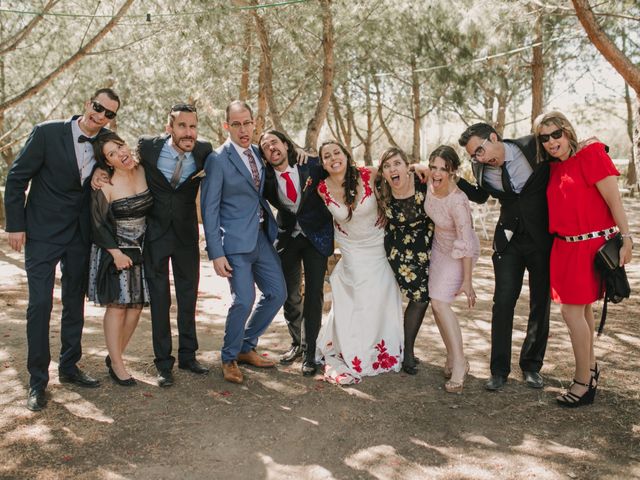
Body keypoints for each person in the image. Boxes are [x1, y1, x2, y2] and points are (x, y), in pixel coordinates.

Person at [4, 87, 120, 411]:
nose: (101, 115)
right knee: (40, 304)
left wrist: (104, 170)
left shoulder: (106, 139)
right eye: (98, 107)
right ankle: (37, 380)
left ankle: (69, 367)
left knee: (73, 302)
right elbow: (16, 178)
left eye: (109, 113)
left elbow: (118, 162)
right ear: (88, 103)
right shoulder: (46, 133)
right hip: (41, 232)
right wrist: (16, 224)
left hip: (79, 235)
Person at [533, 111, 633, 407]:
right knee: (583, 311)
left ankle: (582, 381)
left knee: (571, 313)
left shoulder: (591, 155)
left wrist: (627, 238)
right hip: (563, 248)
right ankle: (590, 370)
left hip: (589, 249)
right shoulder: (551, 169)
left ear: (567, 131)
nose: (552, 142)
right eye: (545, 138)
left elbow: (615, 201)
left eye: (556, 134)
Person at [458, 123, 551, 391]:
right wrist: (456, 181)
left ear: (494, 137)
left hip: (541, 239)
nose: (480, 157)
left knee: (539, 303)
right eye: (474, 155)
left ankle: (532, 366)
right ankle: (499, 370)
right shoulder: (481, 168)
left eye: (480, 150)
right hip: (508, 241)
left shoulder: (532, 146)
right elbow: (480, 196)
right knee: (502, 303)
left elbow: (562, 155)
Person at [201, 100, 287, 384]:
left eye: (247, 122)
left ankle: (246, 346)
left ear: (253, 123)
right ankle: (228, 357)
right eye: (236, 124)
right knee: (244, 300)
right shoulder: (218, 159)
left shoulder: (257, 154)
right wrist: (216, 252)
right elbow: (210, 208)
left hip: (261, 238)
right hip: (234, 243)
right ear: (227, 126)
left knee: (277, 293)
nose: (243, 129)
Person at [136, 103, 213, 387]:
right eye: (182, 126)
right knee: (159, 299)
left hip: (186, 236)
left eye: (193, 126)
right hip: (154, 235)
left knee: (188, 297)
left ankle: (188, 356)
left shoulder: (204, 151)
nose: (188, 132)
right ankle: (163, 364)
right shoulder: (147, 147)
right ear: (169, 128)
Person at [315, 140, 403, 385]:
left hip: (377, 244)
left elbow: (396, 178)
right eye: (326, 156)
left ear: (346, 154)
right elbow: (337, 218)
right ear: (322, 163)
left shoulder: (369, 174)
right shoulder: (322, 188)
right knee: (361, 299)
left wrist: (387, 211)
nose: (333, 158)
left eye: (337, 152)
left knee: (381, 296)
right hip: (351, 249)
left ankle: (382, 351)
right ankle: (358, 350)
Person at [260, 129, 334, 377]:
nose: (271, 148)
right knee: (289, 294)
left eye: (275, 142)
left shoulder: (311, 164)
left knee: (314, 295)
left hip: (316, 236)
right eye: (266, 146)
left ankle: (311, 352)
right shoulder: (265, 177)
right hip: (288, 237)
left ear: (286, 144)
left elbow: (342, 171)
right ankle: (297, 344)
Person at [87, 133, 153, 386]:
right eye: (111, 154)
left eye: (119, 147)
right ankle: (117, 364)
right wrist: (115, 253)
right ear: (107, 163)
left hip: (142, 248)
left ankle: (114, 356)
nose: (119, 153)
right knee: (117, 306)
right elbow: (97, 224)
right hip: (115, 249)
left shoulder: (145, 170)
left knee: (135, 308)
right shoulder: (105, 183)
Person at [424, 146, 480, 393]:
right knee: (436, 304)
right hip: (439, 247)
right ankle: (450, 355)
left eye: (442, 169)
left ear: (453, 171)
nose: (436, 173)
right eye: (433, 167)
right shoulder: (428, 182)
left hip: (461, 252)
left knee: (439, 302)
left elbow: (466, 243)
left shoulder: (458, 201)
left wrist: (468, 280)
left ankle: (460, 363)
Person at [375, 147, 435, 375]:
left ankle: (406, 349)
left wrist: (421, 167)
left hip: (426, 247)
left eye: (397, 163)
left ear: (407, 165)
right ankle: (404, 352)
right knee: (409, 298)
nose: (392, 169)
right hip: (397, 250)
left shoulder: (423, 181)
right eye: (387, 166)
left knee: (421, 299)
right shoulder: (380, 188)